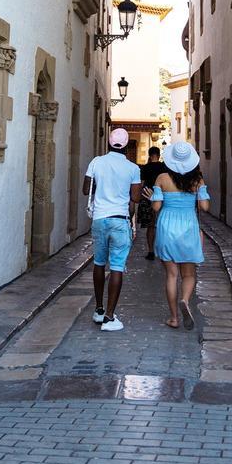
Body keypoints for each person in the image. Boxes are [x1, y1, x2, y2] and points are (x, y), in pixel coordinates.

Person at [145, 142, 210, 330]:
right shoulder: (197, 180)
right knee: (189, 274)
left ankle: (174, 318)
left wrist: (152, 199)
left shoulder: (162, 178)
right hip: (188, 226)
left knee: (171, 275)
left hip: (167, 226)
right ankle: (185, 299)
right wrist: (201, 192)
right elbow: (204, 207)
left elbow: (156, 208)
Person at [83, 127, 142, 331]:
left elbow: (85, 189)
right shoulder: (133, 168)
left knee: (99, 263)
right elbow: (135, 198)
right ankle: (109, 317)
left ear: (108, 142)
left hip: (99, 219)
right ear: (126, 146)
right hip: (119, 219)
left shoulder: (96, 162)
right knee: (116, 266)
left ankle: (98, 310)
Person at [138, 145, 165, 260]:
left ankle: (150, 251)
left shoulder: (145, 168)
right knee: (163, 225)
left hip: (148, 197)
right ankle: (163, 251)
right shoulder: (164, 167)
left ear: (150, 155)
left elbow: (142, 183)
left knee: (151, 226)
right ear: (159, 155)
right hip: (162, 197)